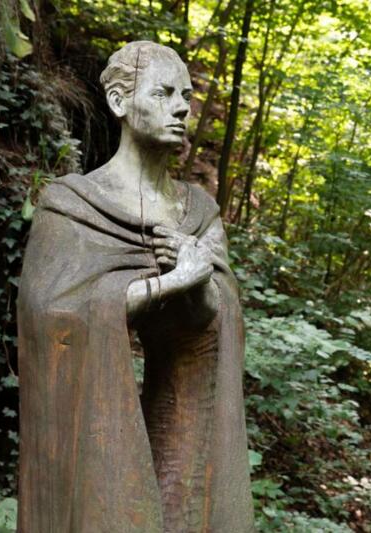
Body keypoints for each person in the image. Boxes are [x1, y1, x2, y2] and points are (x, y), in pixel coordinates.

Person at [16, 41, 254, 532]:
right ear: (119, 102)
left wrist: (198, 282)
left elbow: (210, 329)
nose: (182, 107)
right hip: (94, 438)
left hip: (183, 434)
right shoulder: (71, 205)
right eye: (163, 93)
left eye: (186, 95)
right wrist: (172, 282)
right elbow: (53, 319)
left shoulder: (199, 213)